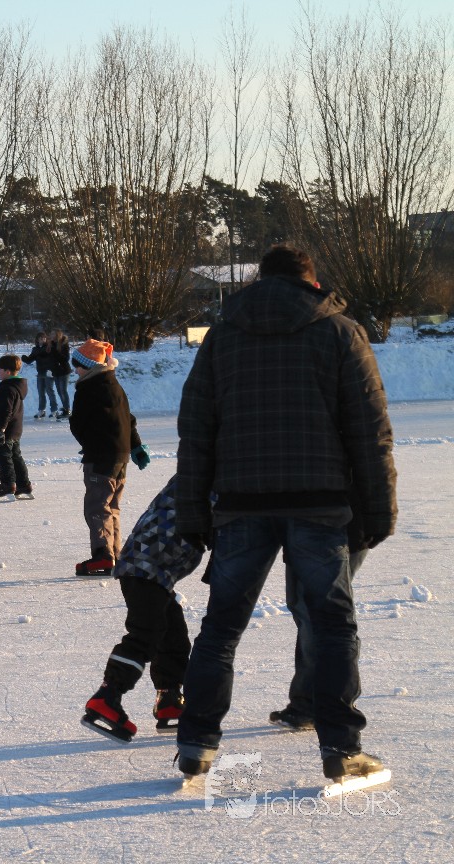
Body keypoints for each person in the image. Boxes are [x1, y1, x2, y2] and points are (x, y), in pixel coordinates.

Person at [174, 244, 397, 786]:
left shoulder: (223, 337)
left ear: (260, 280)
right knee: (332, 625)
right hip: (320, 502)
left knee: (221, 628)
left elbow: (196, 431)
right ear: (311, 282)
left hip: (241, 504)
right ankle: (341, 748)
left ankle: (197, 742)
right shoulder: (341, 332)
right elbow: (369, 431)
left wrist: (193, 510)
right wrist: (378, 509)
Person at [82, 476, 204, 743]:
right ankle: (107, 696)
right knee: (145, 635)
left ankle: (169, 697)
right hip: (146, 568)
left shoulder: (201, 471)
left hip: (150, 567)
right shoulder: (211, 478)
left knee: (173, 634)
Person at [68, 338, 149, 576]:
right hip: (120, 456)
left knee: (97, 505)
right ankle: (114, 553)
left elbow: (78, 424)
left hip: (100, 456)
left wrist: (89, 444)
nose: (75, 370)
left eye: (77, 365)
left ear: (88, 366)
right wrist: (136, 446)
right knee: (112, 506)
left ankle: (103, 555)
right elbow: (128, 419)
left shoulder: (87, 388)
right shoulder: (114, 385)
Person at [0, 354, 33, 501]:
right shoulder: (16, 386)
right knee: (15, 457)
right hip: (15, 429)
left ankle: (8, 485)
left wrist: (0, 429)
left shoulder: (7, 388)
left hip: (5, 430)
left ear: (7, 371)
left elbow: (5, 410)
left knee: (3, 458)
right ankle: (23, 485)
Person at [21, 333, 55, 419]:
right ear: (37, 340)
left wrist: (51, 369)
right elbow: (30, 359)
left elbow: (53, 359)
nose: (42, 340)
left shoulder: (49, 348)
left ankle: (54, 410)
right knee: (41, 392)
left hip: (48, 372)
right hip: (40, 373)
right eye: (40, 338)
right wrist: (25, 358)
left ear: (46, 339)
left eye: (43, 338)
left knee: (50, 391)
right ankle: (41, 410)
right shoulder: (35, 349)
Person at [49, 330, 72, 419]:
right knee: (59, 391)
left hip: (63, 370)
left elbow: (66, 358)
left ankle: (67, 409)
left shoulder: (63, 344)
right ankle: (65, 408)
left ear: (57, 335)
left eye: (53, 334)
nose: (51, 335)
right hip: (56, 371)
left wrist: (56, 352)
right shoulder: (51, 344)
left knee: (63, 390)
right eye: (51, 334)